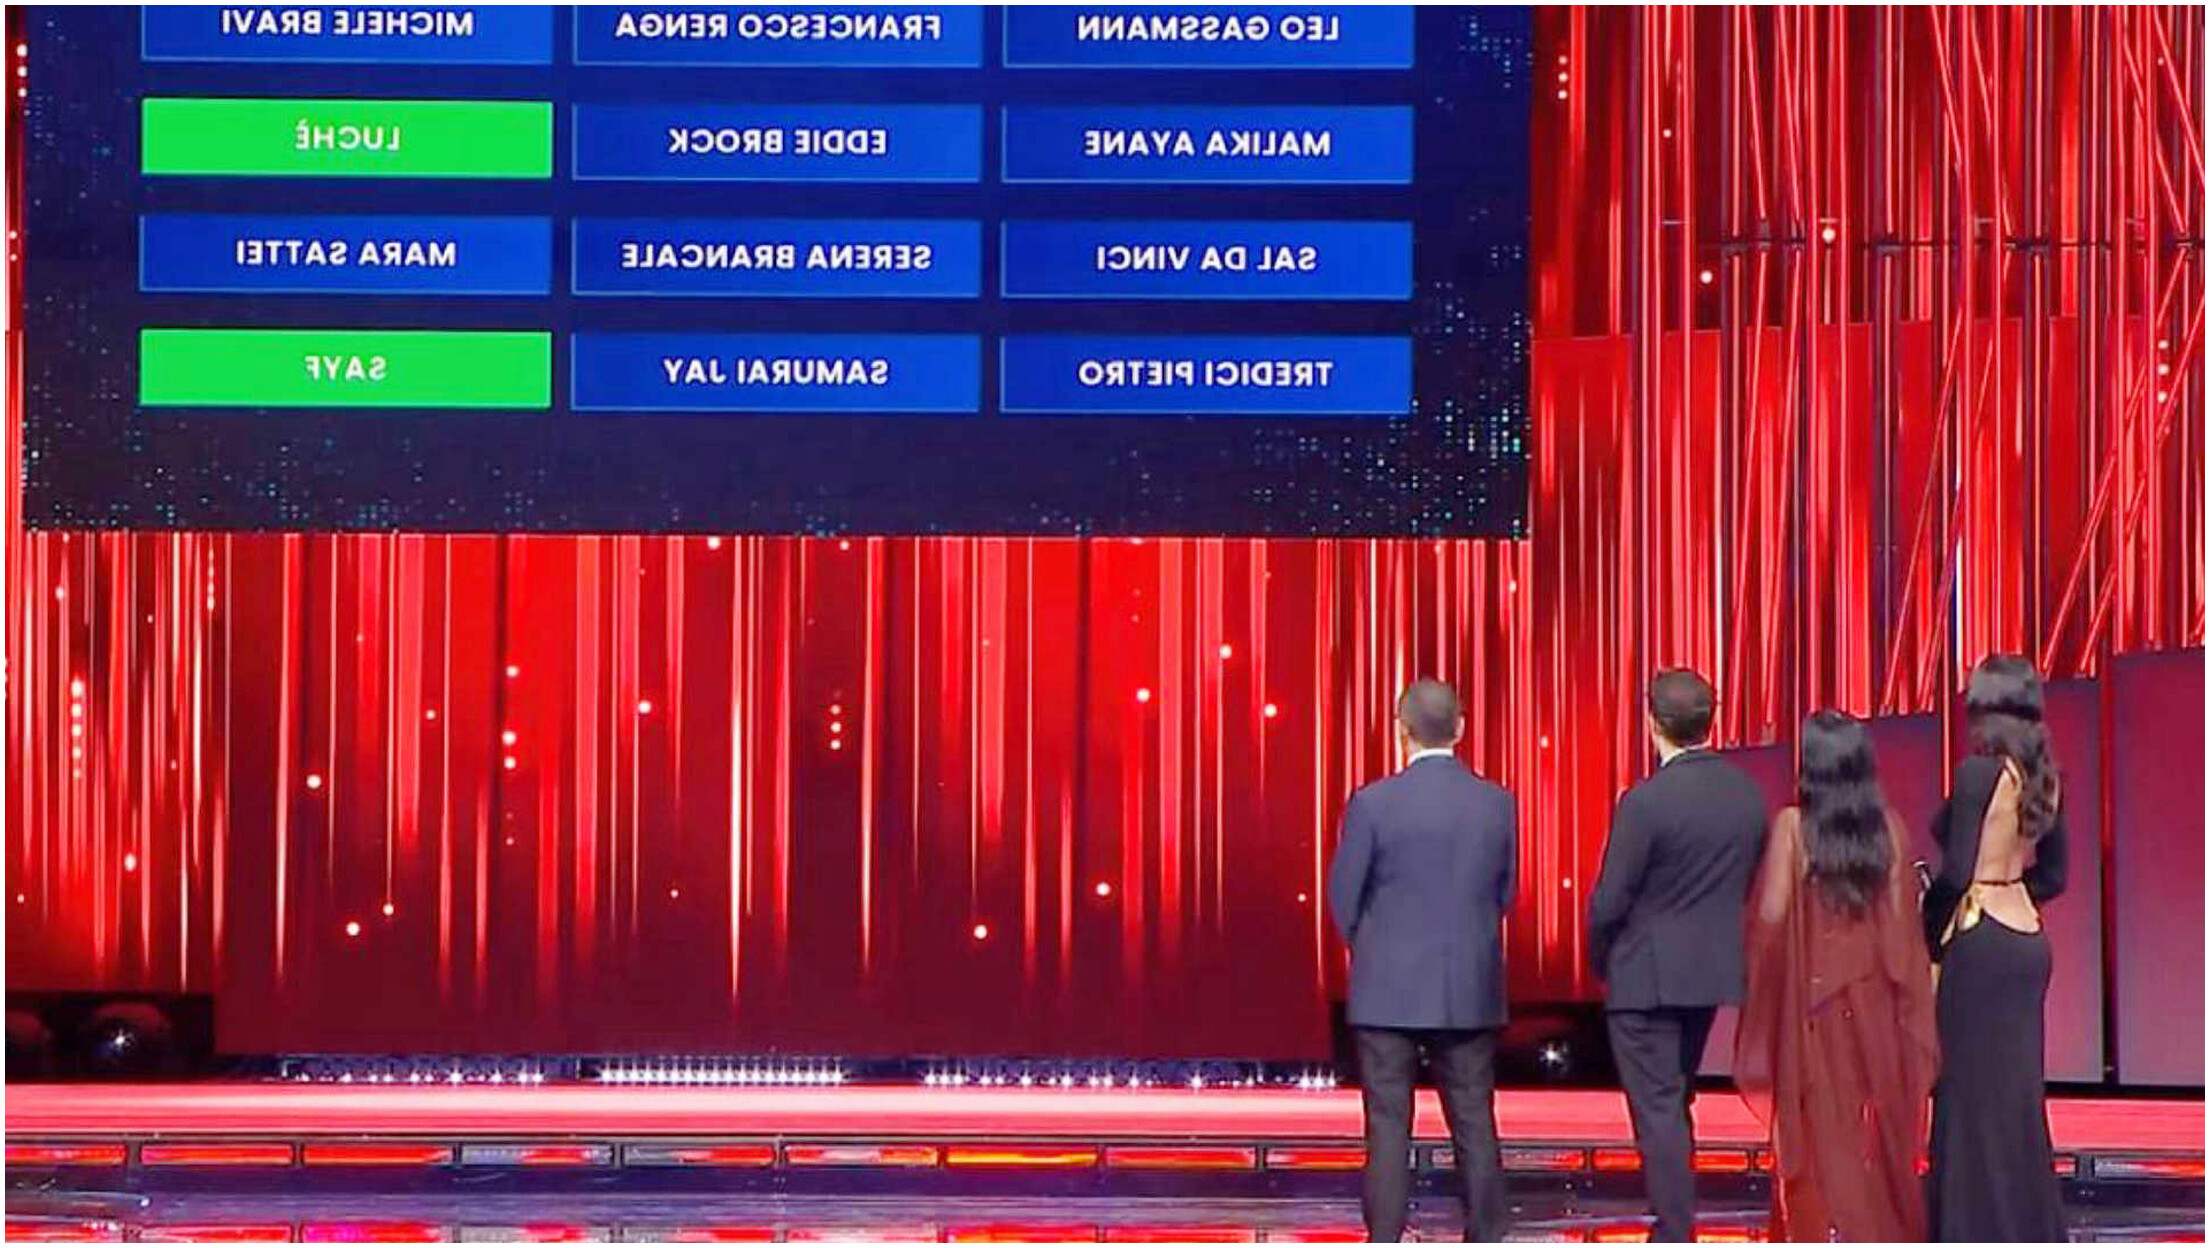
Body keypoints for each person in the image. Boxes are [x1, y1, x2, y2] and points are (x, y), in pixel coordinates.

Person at [1734, 711, 1939, 1241]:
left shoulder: (1793, 829)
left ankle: (1818, 1231)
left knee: (1814, 1135)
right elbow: (1902, 934)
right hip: (1875, 1008)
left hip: (1813, 1013)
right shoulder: (1890, 830)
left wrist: (1771, 981)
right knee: (1873, 1133)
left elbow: (1771, 920)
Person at [1326, 679, 1517, 1243]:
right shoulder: (1496, 803)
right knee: (1475, 1121)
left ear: (1400, 730)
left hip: (1387, 991)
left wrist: (1378, 951)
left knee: (1387, 1126)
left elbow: (1344, 897)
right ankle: (1486, 1235)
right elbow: (1504, 893)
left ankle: (1385, 1236)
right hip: (1468, 987)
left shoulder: (1372, 802)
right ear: (1460, 728)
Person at [1587, 668, 1767, 1243]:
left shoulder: (1645, 802)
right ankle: (1675, 1221)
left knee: (1659, 1106)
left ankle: (1673, 1229)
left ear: (1652, 723)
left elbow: (1609, 899)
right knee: (1673, 1096)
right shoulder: (1747, 796)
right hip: (1708, 974)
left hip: (1645, 977)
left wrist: (1600, 959)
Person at [1923, 654, 2070, 1242]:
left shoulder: (1977, 773)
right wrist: (2014, 890)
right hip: (2027, 942)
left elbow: (1956, 872)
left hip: (1979, 941)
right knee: (2016, 1101)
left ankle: (1968, 1230)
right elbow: (2055, 876)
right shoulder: (2045, 776)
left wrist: (1928, 931)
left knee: (1964, 1098)